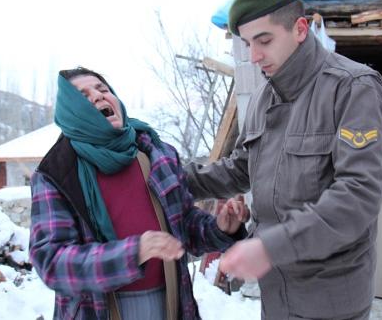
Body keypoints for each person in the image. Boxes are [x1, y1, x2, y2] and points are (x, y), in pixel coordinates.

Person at [184, 0, 382, 319]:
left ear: (300, 29)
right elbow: (241, 168)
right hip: (277, 294)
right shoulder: (267, 95)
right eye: (247, 44)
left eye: (263, 40)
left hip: (330, 299)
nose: (254, 55)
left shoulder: (352, 87)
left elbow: (359, 196)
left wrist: (269, 248)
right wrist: (176, 178)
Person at [29, 67, 249, 320]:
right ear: (72, 112)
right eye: (84, 95)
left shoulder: (156, 154)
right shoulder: (56, 174)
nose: (99, 96)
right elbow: (52, 263)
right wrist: (133, 252)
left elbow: (184, 226)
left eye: (103, 89)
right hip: (98, 312)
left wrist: (220, 228)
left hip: (170, 306)